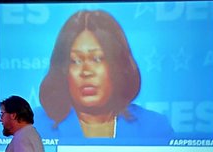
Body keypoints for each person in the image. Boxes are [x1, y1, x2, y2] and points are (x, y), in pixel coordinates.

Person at [33, 9, 175, 144]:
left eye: (97, 59)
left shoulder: (154, 128)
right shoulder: (35, 126)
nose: (86, 71)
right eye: (76, 61)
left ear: (118, 65)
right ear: (64, 70)